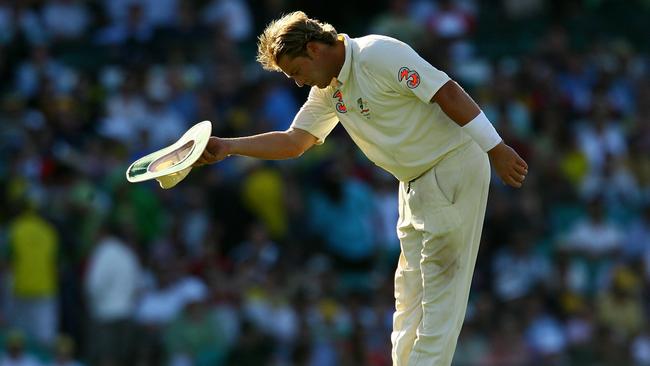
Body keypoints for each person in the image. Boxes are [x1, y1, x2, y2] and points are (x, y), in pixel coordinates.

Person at [195, 11, 528, 366]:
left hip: (453, 164)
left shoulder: (377, 54)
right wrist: (229, 147)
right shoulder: (329, 89)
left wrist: (496, 148)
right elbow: (295, 142)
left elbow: (446, 91)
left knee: (440, 287)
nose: (297, 82)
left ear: (313, 50)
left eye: (296, 71)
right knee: (408, 292)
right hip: (414, 182)